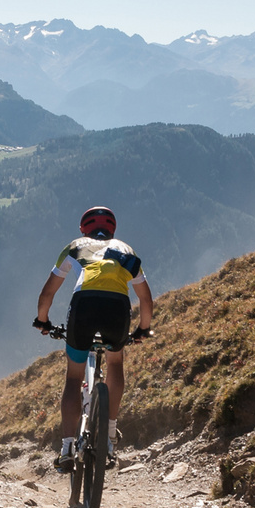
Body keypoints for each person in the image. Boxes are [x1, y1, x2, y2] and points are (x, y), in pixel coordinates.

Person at [32, 206, 153, 487]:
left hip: (84, 307)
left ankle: (67, 448)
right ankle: (109, 434)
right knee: (115, 362)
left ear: (83, 229)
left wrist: (42, 321)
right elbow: (145, 299)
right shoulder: (127, 250)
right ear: (112, 231)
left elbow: (47, 292)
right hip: (117, 310)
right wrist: (143, 329)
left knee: (74, 377)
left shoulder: (75, 246)